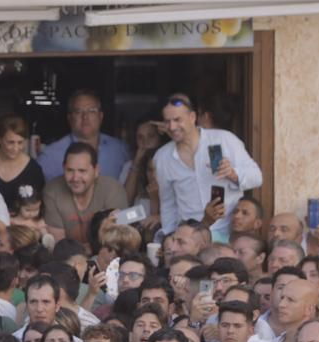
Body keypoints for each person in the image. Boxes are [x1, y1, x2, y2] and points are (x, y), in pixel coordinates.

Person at [152, 94, 261, 238]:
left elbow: (257, 177)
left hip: (228, 231)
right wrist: (170, 237)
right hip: (191, 236)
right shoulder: (162, 157)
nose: (172, 127)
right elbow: (168, 204)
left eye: (178, 120)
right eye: (167, 121)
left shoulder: (223, 139)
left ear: (192, 117)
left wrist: (233, 174)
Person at [42, 144, 127, 250]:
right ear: (63, 168)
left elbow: (116, 241)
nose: (75, 178)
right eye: (70, 170)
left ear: (96, 170)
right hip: (67, 260)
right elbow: (59, 246)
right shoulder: (52, 191)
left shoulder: (113, 189)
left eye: (82, 171)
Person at [37, 92, 130, 183]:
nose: (85, 117)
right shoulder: (50, 156)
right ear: (69, 118)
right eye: (78, 112)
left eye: (92, 111)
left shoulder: (120, 150)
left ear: (101, 116)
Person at [0, 115, 45, 218]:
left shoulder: (33, 170)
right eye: (10, 142)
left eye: (20, 142)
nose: (16, 148)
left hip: (21, 229)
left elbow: (38, 208)